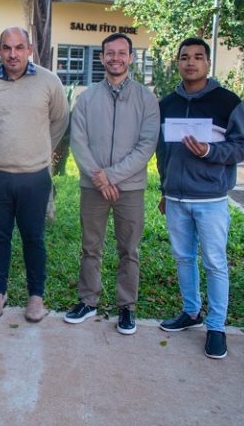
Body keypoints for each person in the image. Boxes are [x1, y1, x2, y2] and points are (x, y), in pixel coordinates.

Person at [156, 38, 244, 359]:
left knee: (214, 262)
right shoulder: (167, 104)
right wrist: (163, 190)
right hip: (176, 198)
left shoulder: (226, 102)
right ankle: (191, 311)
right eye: (184, 57)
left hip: (211, 199)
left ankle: (216, 326)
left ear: (208, 64)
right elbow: (162, 152)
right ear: (178, 63)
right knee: (183, 258)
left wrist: (210, 151)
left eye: (198, 57)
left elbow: (242, 146)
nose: (191, 62)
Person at [0, 27, 69, 322]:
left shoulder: (49, 81)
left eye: (19, 47)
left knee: (33, 237)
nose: (13, 53)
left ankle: (36, 295)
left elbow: (59, 121)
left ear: (30, 51)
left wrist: (34, 148)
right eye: (7, 48)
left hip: (34, 177)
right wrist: (4, 146)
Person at [65, 33, 160, 335]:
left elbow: (146, 146)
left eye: (122, 52)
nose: (115, 57)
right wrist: (98, 176)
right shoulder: (87, 98)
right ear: (102, 57)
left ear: (131, 58)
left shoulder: (146, 99)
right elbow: (77, 141)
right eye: (110, 53)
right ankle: (87, 300)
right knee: (90, 246)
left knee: (128, 248)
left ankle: (126, 307)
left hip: (129, 188)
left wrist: (112, 176)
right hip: (93, 186)